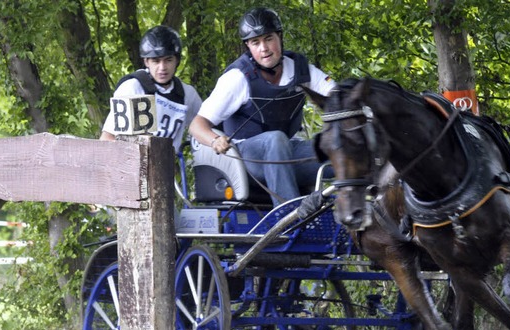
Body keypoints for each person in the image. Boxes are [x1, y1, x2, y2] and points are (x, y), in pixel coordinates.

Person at [189, 7, 336, 206]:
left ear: (280, 38)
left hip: (287, 154)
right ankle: (289, 220)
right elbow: (196, 125)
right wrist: (215, 140)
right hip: (245, 161)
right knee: (275, 139)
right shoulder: (237, 79)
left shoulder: (301, 71)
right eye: (255, 42)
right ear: (248, 47)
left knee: (342, 147)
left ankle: (371, 218)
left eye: (268, 39)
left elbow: (338, 97)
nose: (264, 48)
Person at [101, 25, 202, 153]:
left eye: (168, 60)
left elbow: (204, 126)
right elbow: (107, 138)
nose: (162, 67)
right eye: (156, 61)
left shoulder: (187, 94)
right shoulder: (133, 88)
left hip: (166, 168)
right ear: (146, 62)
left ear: (177, 61)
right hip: (130, 165)